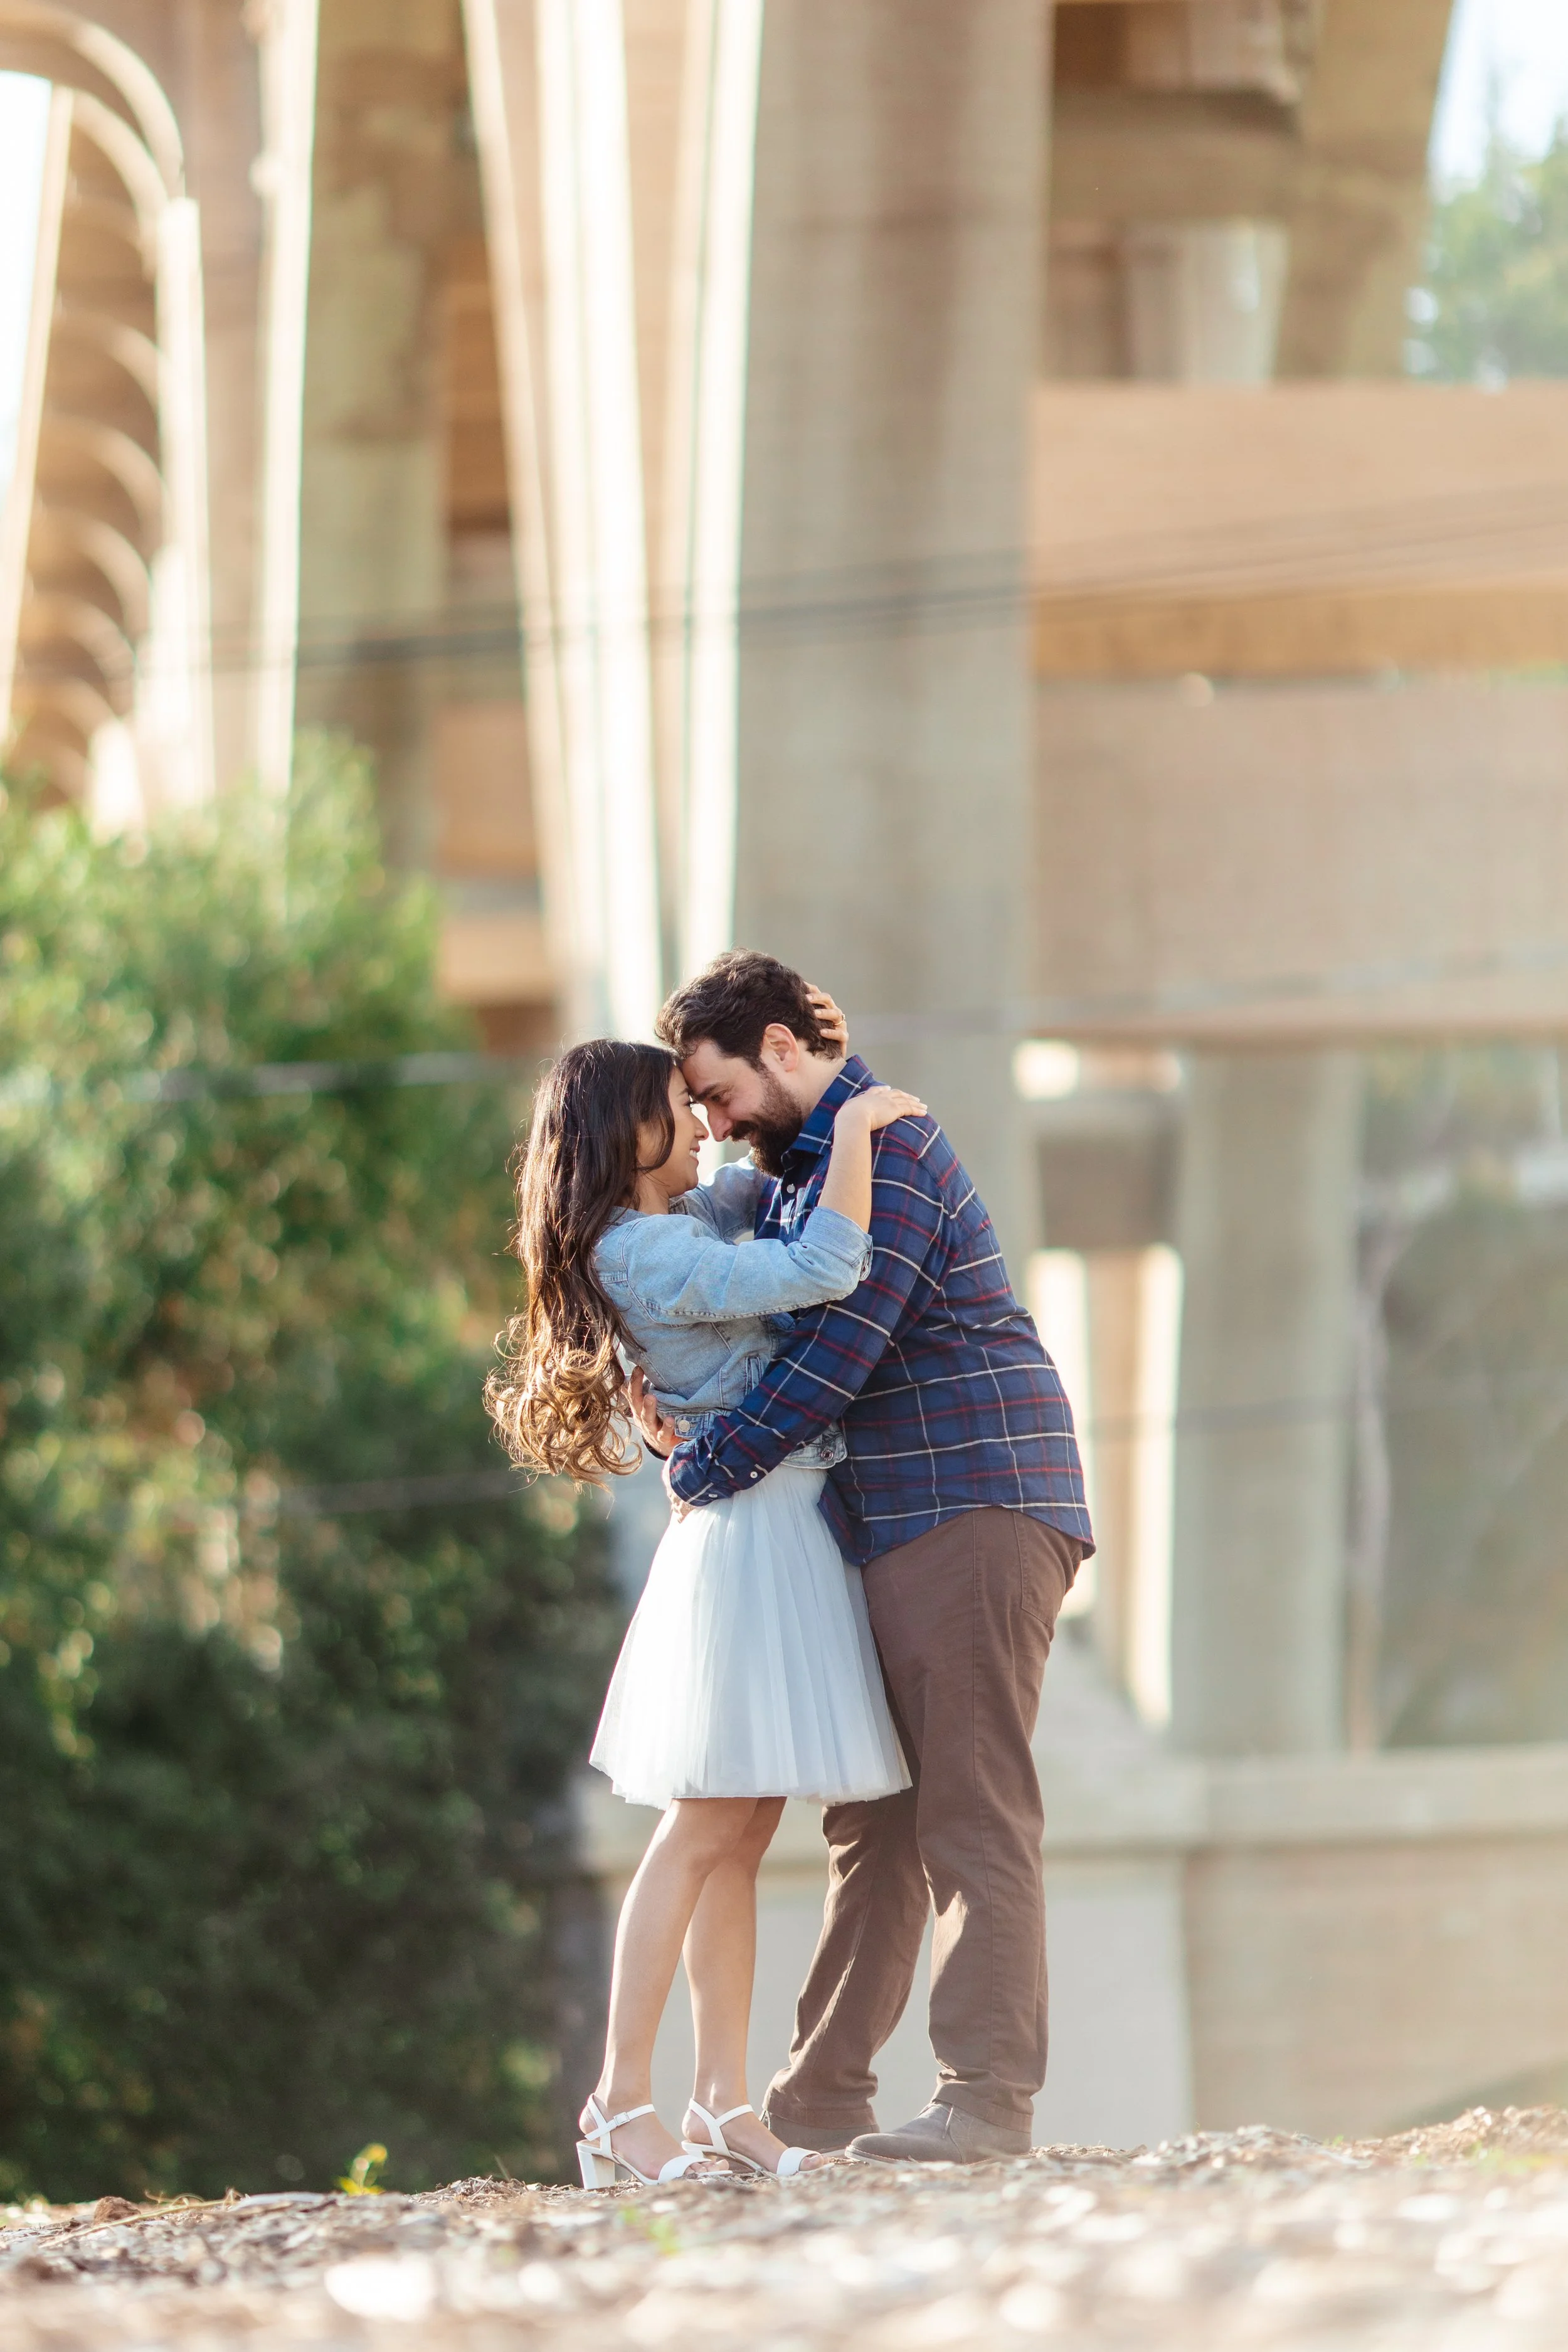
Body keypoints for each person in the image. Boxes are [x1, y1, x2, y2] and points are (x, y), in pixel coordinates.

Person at [640, 951, 1094, 2166]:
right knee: (875, 1823)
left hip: (974, 1500)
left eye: (715, 1091)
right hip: (895, 1515)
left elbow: (836, 1355)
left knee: (967, 1805)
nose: (710, 1122)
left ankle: (985, 2100)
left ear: (781, 1049)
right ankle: (818, 2102)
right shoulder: (789, 1172)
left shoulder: (881, 1151)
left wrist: (701, 1468)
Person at [486, 1015, 924, 2187]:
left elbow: (749, 1197)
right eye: (677, 1109)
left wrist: (800, 1131)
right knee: (699, 1831)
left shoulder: (669, 1225)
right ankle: (616, 2106)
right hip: (747, 1537)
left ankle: (721, 2101)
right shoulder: (644, 1253)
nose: (698, 1123)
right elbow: (826, 1263)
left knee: (740, 1835)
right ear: (629, 1129)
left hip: (775, 1522)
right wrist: (862, 1126)